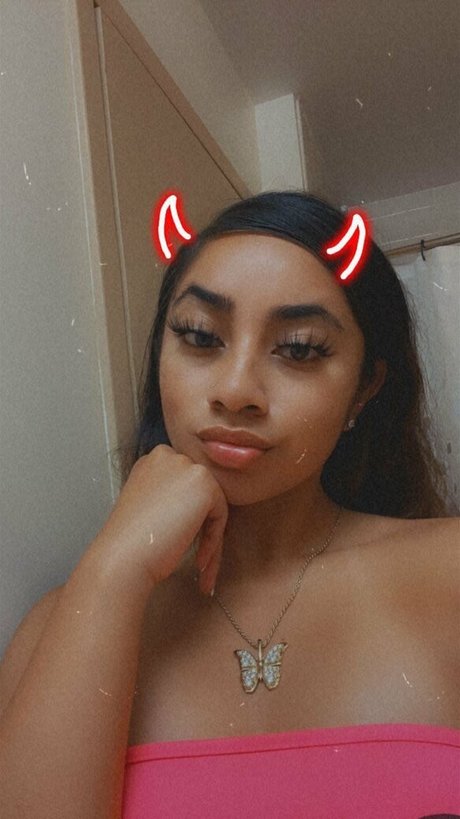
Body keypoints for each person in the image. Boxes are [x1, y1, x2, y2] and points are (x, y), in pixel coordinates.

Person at [0, 190, 458, 818]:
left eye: (299, 348)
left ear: (364, 389)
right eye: (199, 336)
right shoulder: (65, 622)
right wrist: (114, 568)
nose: (236, 389)